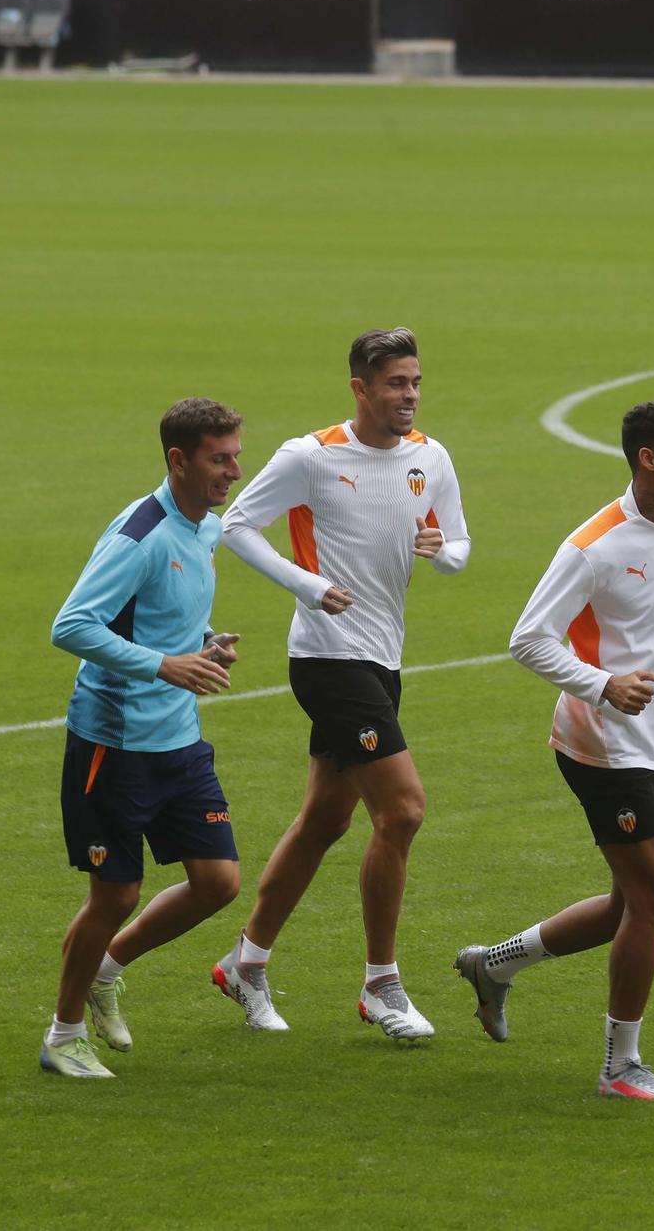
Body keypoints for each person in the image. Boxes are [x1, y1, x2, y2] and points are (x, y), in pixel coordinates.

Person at [210, 327, 471, 1040]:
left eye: (415, 382)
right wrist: (308, 585)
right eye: (394, 384)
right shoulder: (312, 457)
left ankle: (246, 961)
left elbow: (458, 547)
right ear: (360, 387)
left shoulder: (431, 457)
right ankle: (381, 986)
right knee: (404, 812)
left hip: (383, 658)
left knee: (326, 819)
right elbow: (234, 525)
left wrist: (440, 548)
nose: (409, 396)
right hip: (327, 658)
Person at [456, 401, 654, 1102]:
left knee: (625, 905)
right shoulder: (594, 546)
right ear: (648, 460)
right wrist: (602, 685)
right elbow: (529, 638)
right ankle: (619, 1065)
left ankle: (494, 965)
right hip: (600, 745)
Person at [41, 397, 248, 1079]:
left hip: (177, 739)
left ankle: (105, 969)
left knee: (218, 882)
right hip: (114, 742)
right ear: (178, 460)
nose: (233, 470)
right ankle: (64, 1035)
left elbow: (159, 619)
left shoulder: (206, 529)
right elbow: (71, 625)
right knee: (116, 895)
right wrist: (164, 664)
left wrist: (202, 647)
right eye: (219, 459)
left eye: (235, 455)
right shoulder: (141, 536)